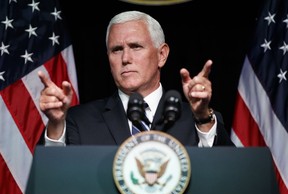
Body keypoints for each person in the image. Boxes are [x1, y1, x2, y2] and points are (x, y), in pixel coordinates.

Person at [37, 10, 235, 147]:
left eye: (135, 47)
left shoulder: (201, 119)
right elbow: (53, 179)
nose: (125, 58)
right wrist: (55, 125)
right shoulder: (76, 121)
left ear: (162, 55)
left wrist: (202, 118)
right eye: (116, 50)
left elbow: (227, 177)